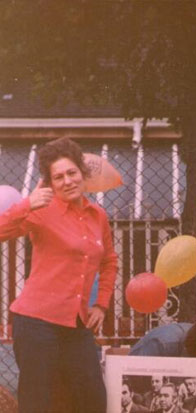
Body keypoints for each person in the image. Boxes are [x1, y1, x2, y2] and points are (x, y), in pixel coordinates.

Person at [0, 137, 117, 412]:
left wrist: (101, 303)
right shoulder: (40, 210)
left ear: (82, 172)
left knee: (92, 399)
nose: (67, 181)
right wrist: (26, 204)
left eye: (71, 172)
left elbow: (109, 260)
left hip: (77, 324)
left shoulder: (98, 215)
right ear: (51, 183)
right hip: (35, 322)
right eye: (58, 177)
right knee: (38, 402)